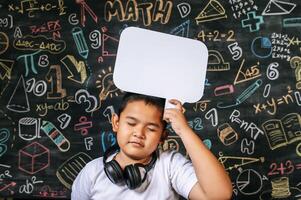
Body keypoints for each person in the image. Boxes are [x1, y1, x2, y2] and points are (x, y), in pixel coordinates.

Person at [71, 92, 232, 200]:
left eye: (151, 128)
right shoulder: (93, 171)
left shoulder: (170, 166)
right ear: (116, 123)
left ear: (163, 137)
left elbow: (218, 195)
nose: (139, 133)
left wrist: (183, 130)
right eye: (131, 123)